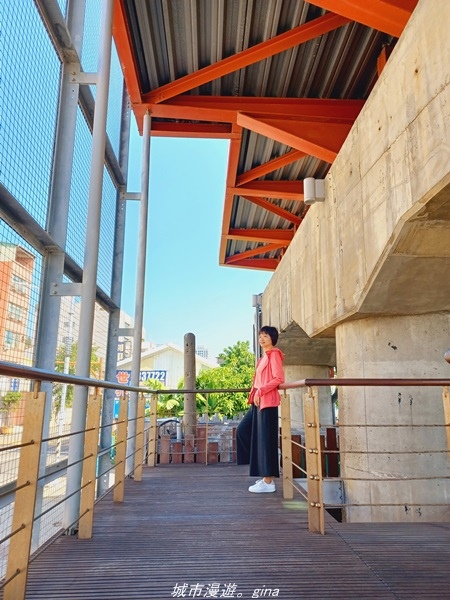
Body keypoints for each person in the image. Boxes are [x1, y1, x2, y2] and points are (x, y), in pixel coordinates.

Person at [236, 325, 285, 493]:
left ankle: (268, 481)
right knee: (243, 430)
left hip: (267, 402)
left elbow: (279, 378)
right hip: (257, 403)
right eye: (260, 336)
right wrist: (254, 393)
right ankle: (262, 471)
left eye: (265, 336)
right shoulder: (263, 357)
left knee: (265, 441)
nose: (262, 338)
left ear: (272, 338)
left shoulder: (274, 354)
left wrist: (261, 391)